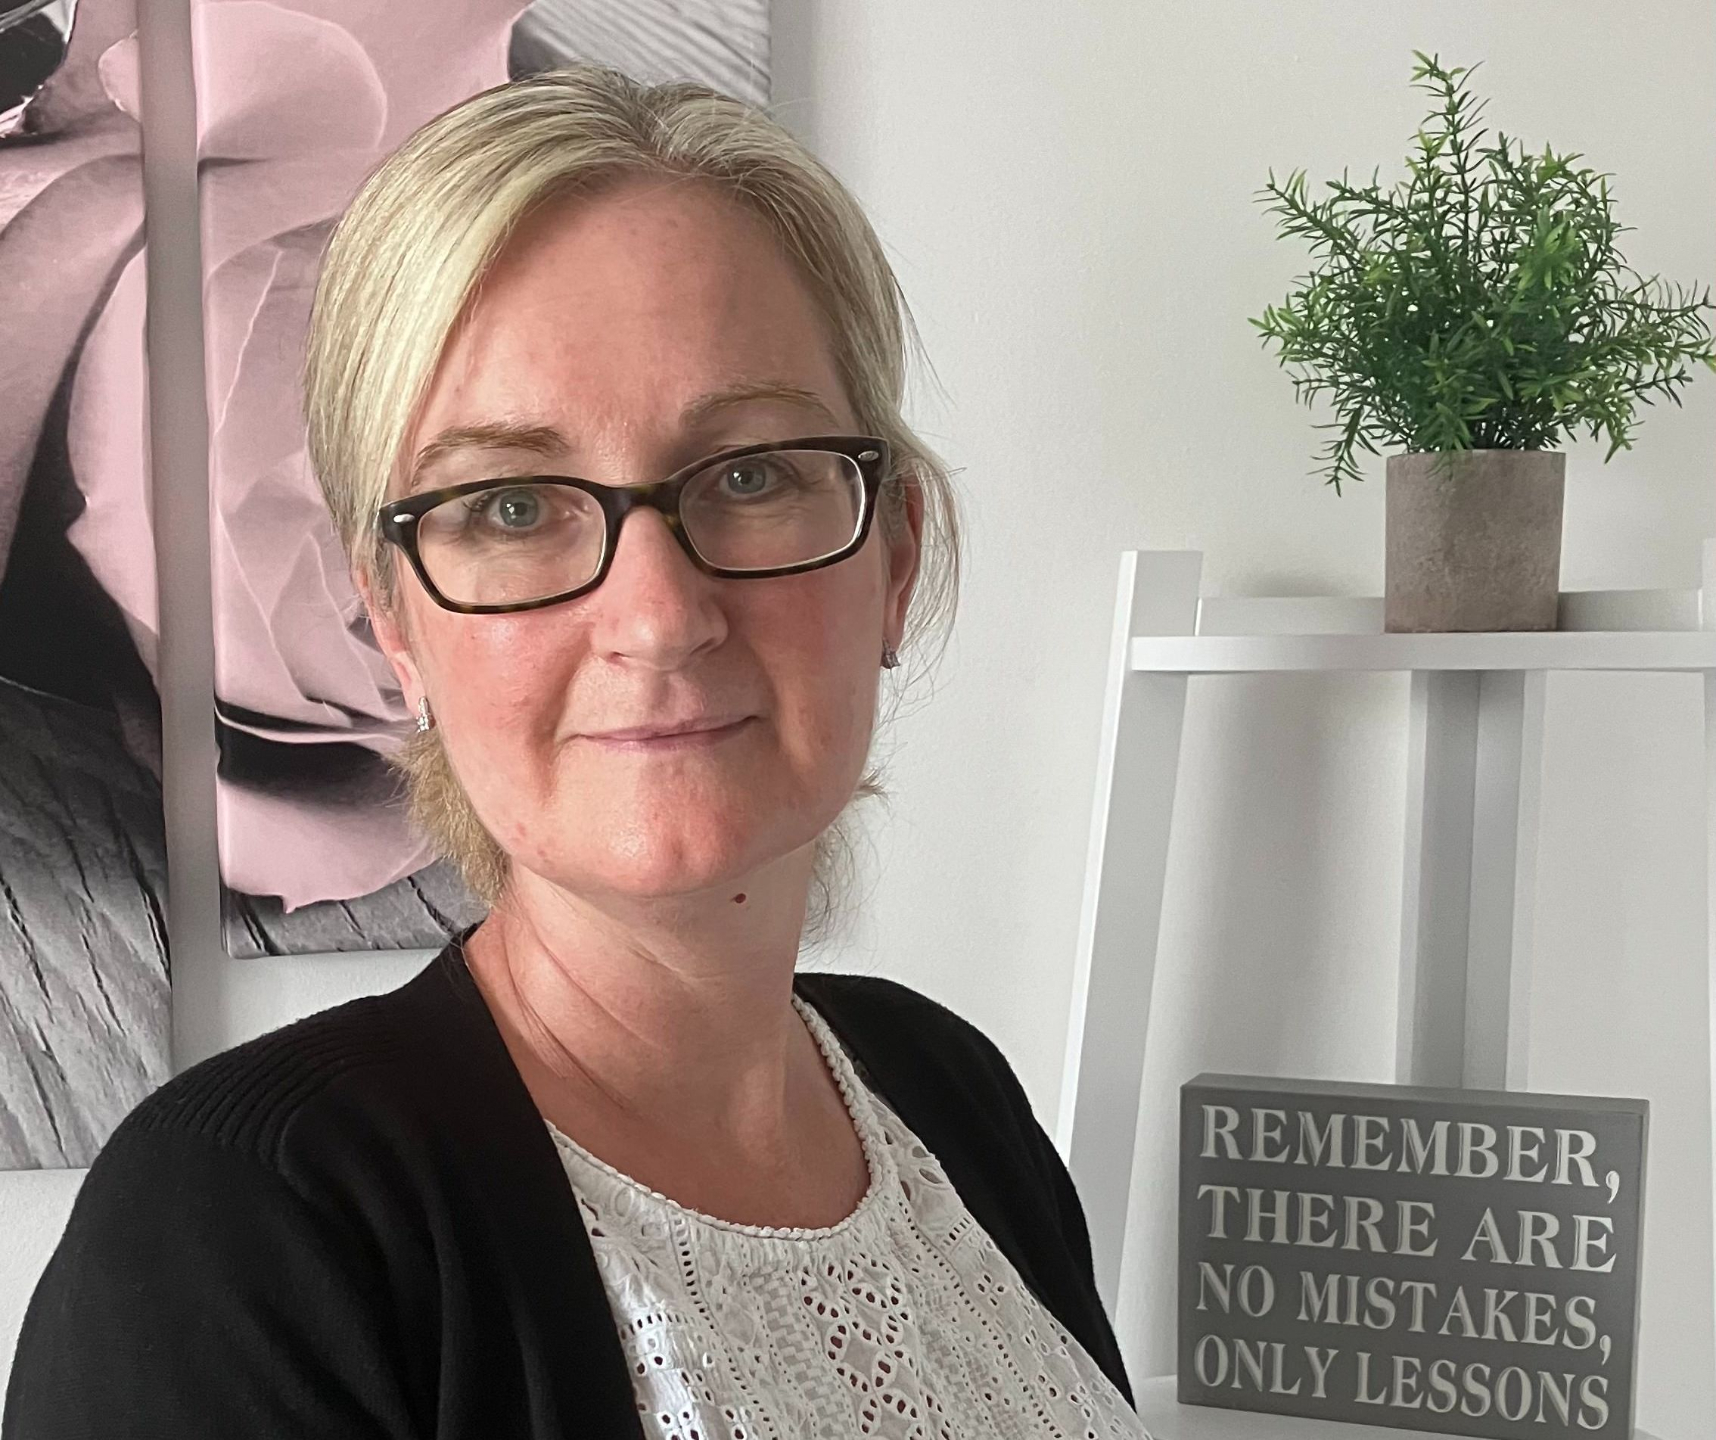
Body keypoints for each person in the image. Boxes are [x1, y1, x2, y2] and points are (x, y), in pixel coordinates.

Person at [2, 64, 1144, 1440]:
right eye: (513, 505)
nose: (658, 617)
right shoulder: (240, 1238)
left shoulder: (948, 1096)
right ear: (395, 621)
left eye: (751, 475)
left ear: (893, 560)